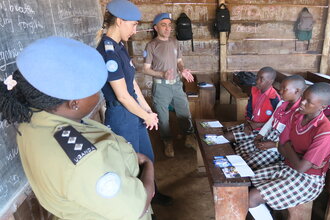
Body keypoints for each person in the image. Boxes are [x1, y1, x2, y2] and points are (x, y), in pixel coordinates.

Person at [0, 36, 154, 220]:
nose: (99, 94)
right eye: (96, 90)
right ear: (74, 103)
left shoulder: (33, 119)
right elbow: (135, 207)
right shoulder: (83, 161)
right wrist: (148, 165)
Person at [96, 0, 172, 206]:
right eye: (134, 24)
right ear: (119, 21)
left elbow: (132, 84)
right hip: (121, 115)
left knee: (147, 156)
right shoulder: (107, 51)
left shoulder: (120, 46)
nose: (136, 30)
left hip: (134, 112)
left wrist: (147, 109)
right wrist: (145, 115)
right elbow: (122, 96)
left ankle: (152, 193)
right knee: (131, 164)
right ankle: (141, 207)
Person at [248, 83, 330, 220]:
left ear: (323, 107)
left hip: (308, 181)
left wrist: (289, 149)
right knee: (247, 180)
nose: (302, 102)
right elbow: (282, 144)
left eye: (309, 102)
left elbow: (302, 168)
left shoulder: (326, 134)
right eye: (303, 97)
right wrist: (295, 154)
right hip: (287, 167)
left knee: (252, 197)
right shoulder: (297, 115)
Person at [142, 12, 198, 157]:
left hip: (177, 85)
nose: (168, 28)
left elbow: (179, 61)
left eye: (169, 25)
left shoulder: (174, 42)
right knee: (163, 117)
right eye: (163, 25)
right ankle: (168, 142)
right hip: (161, 87)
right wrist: (162, 74)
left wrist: (182, 69)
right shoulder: (151, 45)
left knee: (184, 112)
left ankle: (189, 138)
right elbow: (145, 69)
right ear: (156, 28)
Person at [235, 75, 306, 170]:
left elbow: (292, 140)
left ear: (297, 91)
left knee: (247, 164)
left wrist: (273, 145)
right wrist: (259, 137)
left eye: (284, 89)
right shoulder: (282, 103)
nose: (280, 91)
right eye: (280, 88)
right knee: (239, 151)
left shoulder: (299, 112)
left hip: (278, 147)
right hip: (267, 136)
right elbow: (270, 122)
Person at [224, 67, 280, 143]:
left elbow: (276, 121)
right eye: (257, 77)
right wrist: (248, 123)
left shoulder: (274, 99)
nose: (257, 81)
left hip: (262, 131)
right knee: (223, 130)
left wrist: (257, 125)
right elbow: (249, 109)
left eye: (261, 79)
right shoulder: (255, 91)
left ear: (270, 81)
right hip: (250, 125)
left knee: (227, 137)